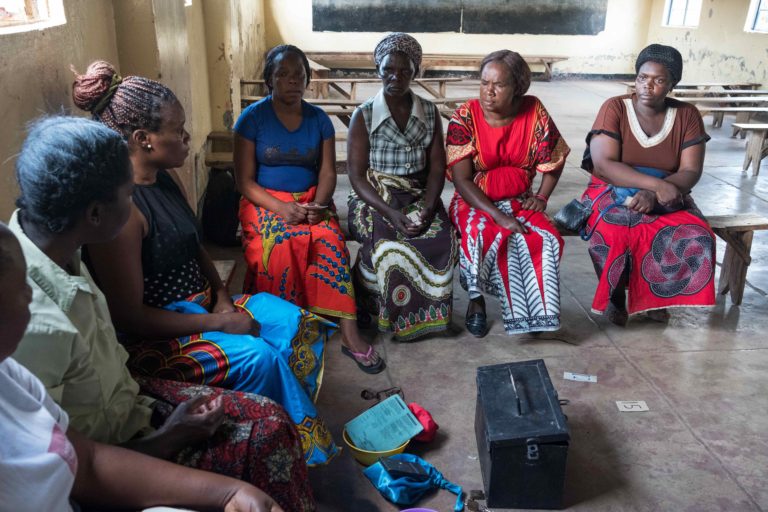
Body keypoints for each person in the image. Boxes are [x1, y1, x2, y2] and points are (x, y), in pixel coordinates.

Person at [9, 116, 314, 511]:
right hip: (117, 451)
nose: (135, 202)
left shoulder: (56, 244)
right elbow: (73, 466)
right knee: (265, 438)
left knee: (270, 419)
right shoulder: (27, 322)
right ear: (97, 214)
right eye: (128, 195)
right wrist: (168, 439)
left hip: (130, 404)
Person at [71, 60, 338, 465]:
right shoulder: (120, 213)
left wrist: (223, 299)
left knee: (295, 321)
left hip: (202, 307)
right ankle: (274, 449)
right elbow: (131, 319)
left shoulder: (164, 177)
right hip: (159, 334)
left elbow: (197, 248)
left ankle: (283, 426)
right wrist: (217, 322)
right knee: (259, 357)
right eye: (177, 131)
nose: (187, 137)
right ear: (143, 139)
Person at [0, 223, 284, 512]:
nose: (31, 294)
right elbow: (133, 319)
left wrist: (229, 492)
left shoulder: (11, 377)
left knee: (271, 417)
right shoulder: (42, 328)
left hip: (128, 419)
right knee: (257, 364)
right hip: (152, 356)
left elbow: (85, 462)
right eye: (21, 286)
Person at [234, 45, 384, 374]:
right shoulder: (252, 120)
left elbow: (328, 172)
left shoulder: (318, 120)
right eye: (282, 75)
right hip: (264, 200)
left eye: (298, 75)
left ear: (307, 79)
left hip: (312, 198)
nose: (291, 81)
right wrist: (281, 207)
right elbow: (244, 182)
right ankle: (283, 327)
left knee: (330, 241)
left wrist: (319, 204)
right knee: (277, 247)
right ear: (268, 81)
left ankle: (348, 333)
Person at [580, 44, 715, 326]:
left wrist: (657, 193)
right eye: (642, 77)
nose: (647, 86)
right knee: (615, 230)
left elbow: (691, 169)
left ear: (672, 84)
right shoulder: (615, 107)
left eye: (658, 80)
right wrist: (654, 186)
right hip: (612, 187)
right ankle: (616, 299)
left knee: (695, 232)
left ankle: (656, 300)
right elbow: (604, 164)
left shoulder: (687, 115)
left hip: (670, 187)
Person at [446, 50, 570, 338]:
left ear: (517, 88)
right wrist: (498, 216)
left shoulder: (534, 110)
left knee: (544, 237)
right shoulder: (465, 116)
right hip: (474, 201)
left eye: (499, 85)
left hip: (519, 197)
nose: (488, 92)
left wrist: (541, 197)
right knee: (479, 233)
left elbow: (555, 157)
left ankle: (534, 311)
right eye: (484, 82)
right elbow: (462, 181)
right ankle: (476, 303)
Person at [347, 32, 456, 342]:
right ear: (377, 70)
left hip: (419, 192)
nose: (396, 77)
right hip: (374, 195)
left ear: (416, 73)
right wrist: (391, 213)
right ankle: (381, 311)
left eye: (405, 71)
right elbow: (357, 177)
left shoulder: (429, 112)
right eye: (388, 70)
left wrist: (427, 207)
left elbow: (437, 167)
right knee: (386, 243)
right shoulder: (364, 114)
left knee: (440, 237)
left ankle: (430, 318)